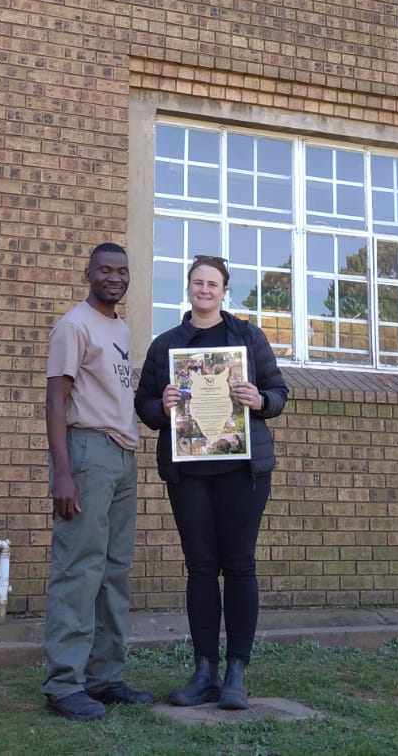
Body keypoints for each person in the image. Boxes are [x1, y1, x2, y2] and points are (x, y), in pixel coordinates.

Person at [135, 255, 288, 711]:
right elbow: (143, 406)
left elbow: (279, 393)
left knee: (239, 564)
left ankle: (236, 671)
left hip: (243, 471)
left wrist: (259, 398)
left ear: (224, 291)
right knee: (200, 567)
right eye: (198, 282)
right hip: (189, 473)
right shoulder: (166, 346)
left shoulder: (247, 337)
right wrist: (160, 406)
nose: (205, 290)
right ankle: (204, 671)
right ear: (188, 288)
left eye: (213, 283)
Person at [41, 242, 155, 721]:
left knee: (113, 572)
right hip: (87, 453)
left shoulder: (120, 328)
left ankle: (104, 677)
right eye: (105, 269)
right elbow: (54, 400)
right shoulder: (74, 325)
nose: (114, 277)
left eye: (122, 270)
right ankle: (64, 685)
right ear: (87, 272)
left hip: (123, 456)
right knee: (79, 569)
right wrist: (63, 473)